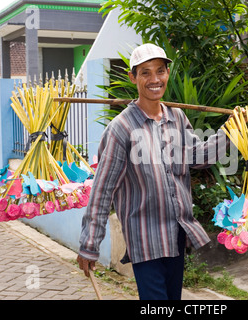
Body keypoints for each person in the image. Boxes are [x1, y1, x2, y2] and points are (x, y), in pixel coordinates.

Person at [77, 43, 231, 300]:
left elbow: (199, 156)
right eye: (145, 72)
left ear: (167, 73)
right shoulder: (121, 128)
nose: (154, 79)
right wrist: (89, 245)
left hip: (176, 235)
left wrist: (233, 131)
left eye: (160, 71)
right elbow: (103, 191)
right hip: (145, 240)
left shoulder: (177, 118)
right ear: (133, 77)